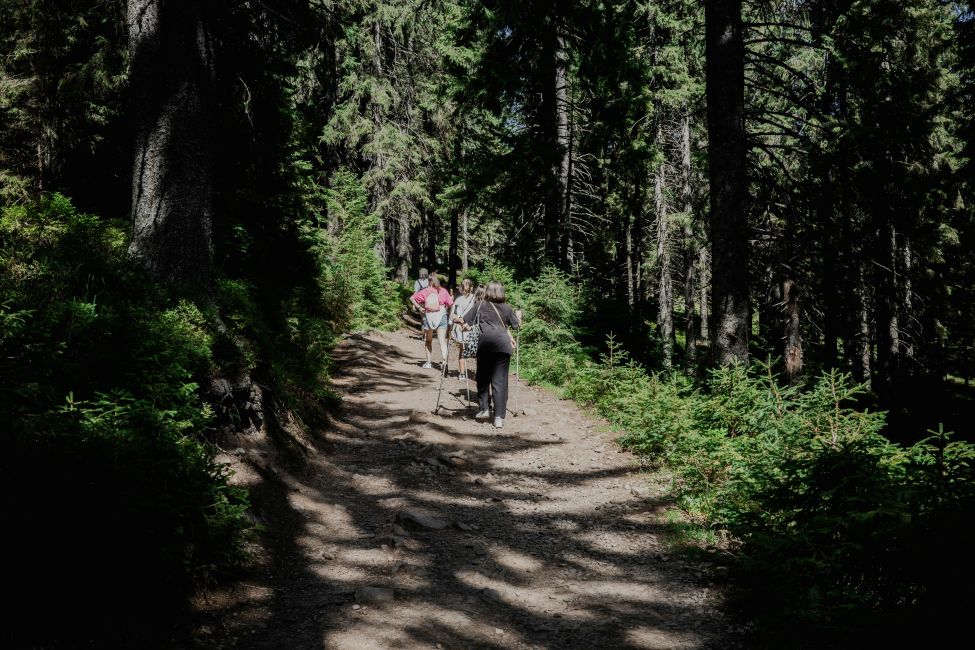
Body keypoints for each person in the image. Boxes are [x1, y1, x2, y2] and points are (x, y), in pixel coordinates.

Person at [458, 280, 522, 429]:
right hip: (503, 347)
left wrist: (455, 319)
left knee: (483, 378)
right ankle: (499, 417)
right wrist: (519, 315)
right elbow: (516, 325)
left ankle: (484, 409)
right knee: (500, 382)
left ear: (488, 292)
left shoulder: (480, 305)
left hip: (485, 345)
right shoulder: (507, 308)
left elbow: (465, 320)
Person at [411, 276, 453, 370]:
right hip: (442, 316)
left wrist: (418, 307)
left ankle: (429, 362)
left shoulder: (426, 291)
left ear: (429, 282)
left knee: (428, 340)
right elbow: (451, 304)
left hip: (429, 316)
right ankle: (445, 362)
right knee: (442, 341)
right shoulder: (444, 291)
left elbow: (412, 298)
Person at [449, 279, 476, 380]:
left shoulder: (473, 299)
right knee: (469, 349)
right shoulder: (471, 299)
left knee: (463, 349)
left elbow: (452, 315)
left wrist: (451, 324)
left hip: (466, 327)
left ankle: (462, 373)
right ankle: (462, 372)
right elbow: (452, 315)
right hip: (466, 327)